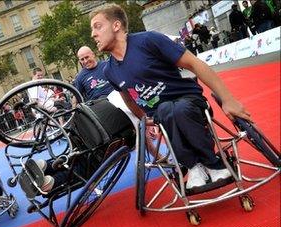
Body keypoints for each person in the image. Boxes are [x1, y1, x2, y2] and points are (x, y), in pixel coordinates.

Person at [89, 4, 252, 190]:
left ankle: (211, 162)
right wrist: (144, 119)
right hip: (162, 113)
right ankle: (193, 166)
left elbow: (194, 64)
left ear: (116, 26)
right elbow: (128, 98)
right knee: (166, 110)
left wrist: (228, 99)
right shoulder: (109, 70)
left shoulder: (149, 40)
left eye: (98, 26)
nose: (93, 34)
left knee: (177, 109)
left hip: (188, 100)